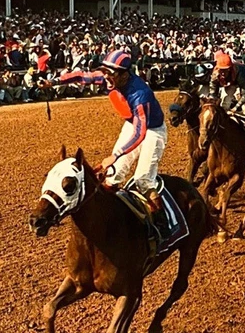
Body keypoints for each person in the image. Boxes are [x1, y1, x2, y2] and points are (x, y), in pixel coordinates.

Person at [60, 49, 168, 213]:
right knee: (112, 176)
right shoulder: (111, 79)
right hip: (133, 123)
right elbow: (82, 76)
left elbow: (140, 133)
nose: (105, 77)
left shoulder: (140, 94)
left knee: (143, 180)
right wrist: (53, 81)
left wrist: (116, 155)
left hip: (153, 130)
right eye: (104, 72)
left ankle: (162, 224)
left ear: (124, 75)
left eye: (110, 73)